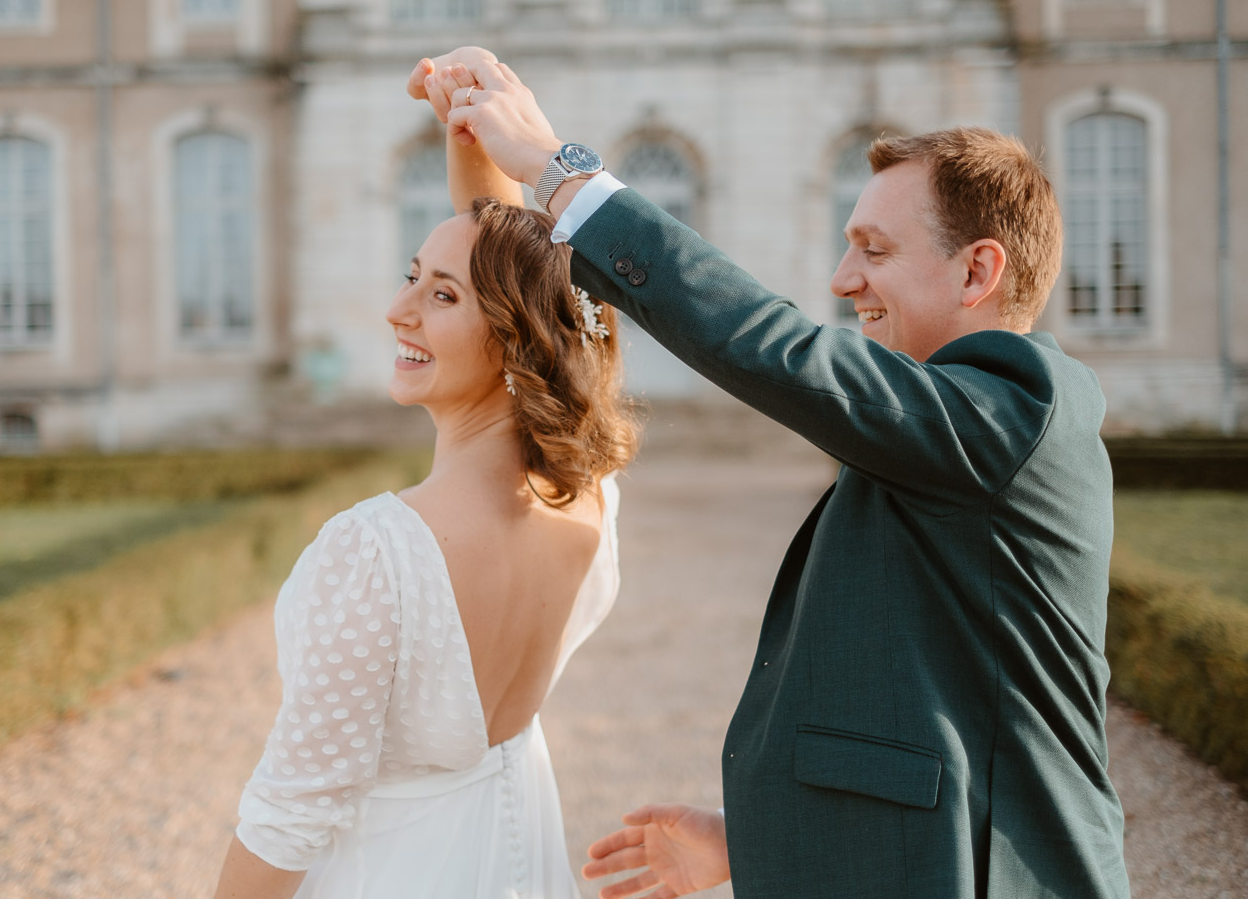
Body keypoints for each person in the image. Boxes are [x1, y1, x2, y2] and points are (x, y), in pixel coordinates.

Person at [407, 49, 1130, 898]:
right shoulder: (937, 438)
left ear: (978, 271)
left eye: (874, 249)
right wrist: (755, 838)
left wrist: (560, 170)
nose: (842, 278)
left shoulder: (1018, 410)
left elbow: (772, 346)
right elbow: (920, 715)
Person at [212, 195, 639, 898]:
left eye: (441, 294)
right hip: (519, 857)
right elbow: (521, 256)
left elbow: (291, 809)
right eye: (413, 276)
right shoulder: (590, 501)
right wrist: (465, 123)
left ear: (516, 338)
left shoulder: (374, 551)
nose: (397, 309)